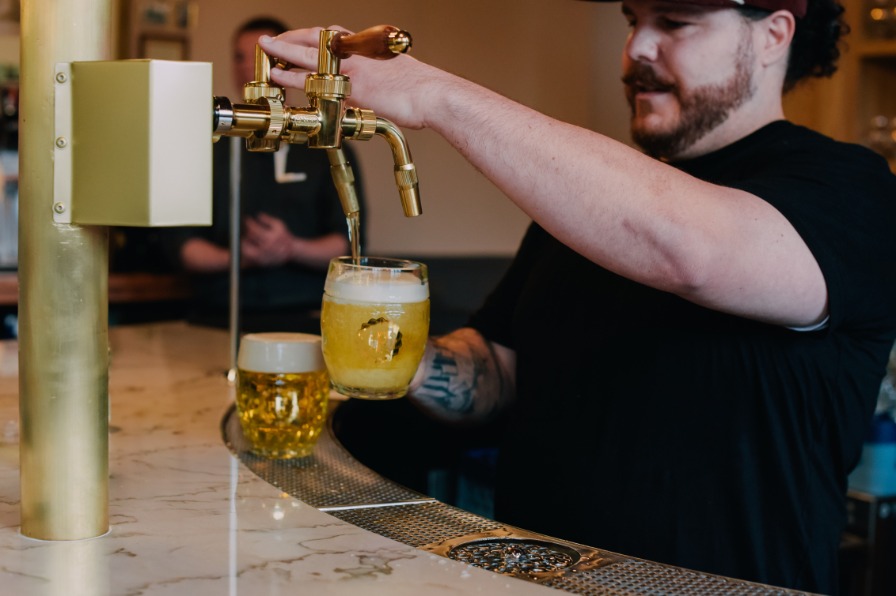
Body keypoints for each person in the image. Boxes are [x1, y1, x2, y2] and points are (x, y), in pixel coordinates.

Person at [260, 0, 896, 592]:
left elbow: (692, 252)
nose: (637, 47)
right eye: (632, 18)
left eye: (674, 21)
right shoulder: (587, 204)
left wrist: (434, 94)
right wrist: (394, 355)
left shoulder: (851, 189)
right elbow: (499, 371)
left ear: (773, 35)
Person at [164, 17, 364, 334]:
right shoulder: (206, 144)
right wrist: (240, 256)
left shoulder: (322, 143)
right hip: (219, 315)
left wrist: (291, 247)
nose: (249, 67)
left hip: (306, 313)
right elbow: (181, 245)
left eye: (263, 58)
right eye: (240, 57)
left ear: (289, 64)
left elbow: (349, 242)